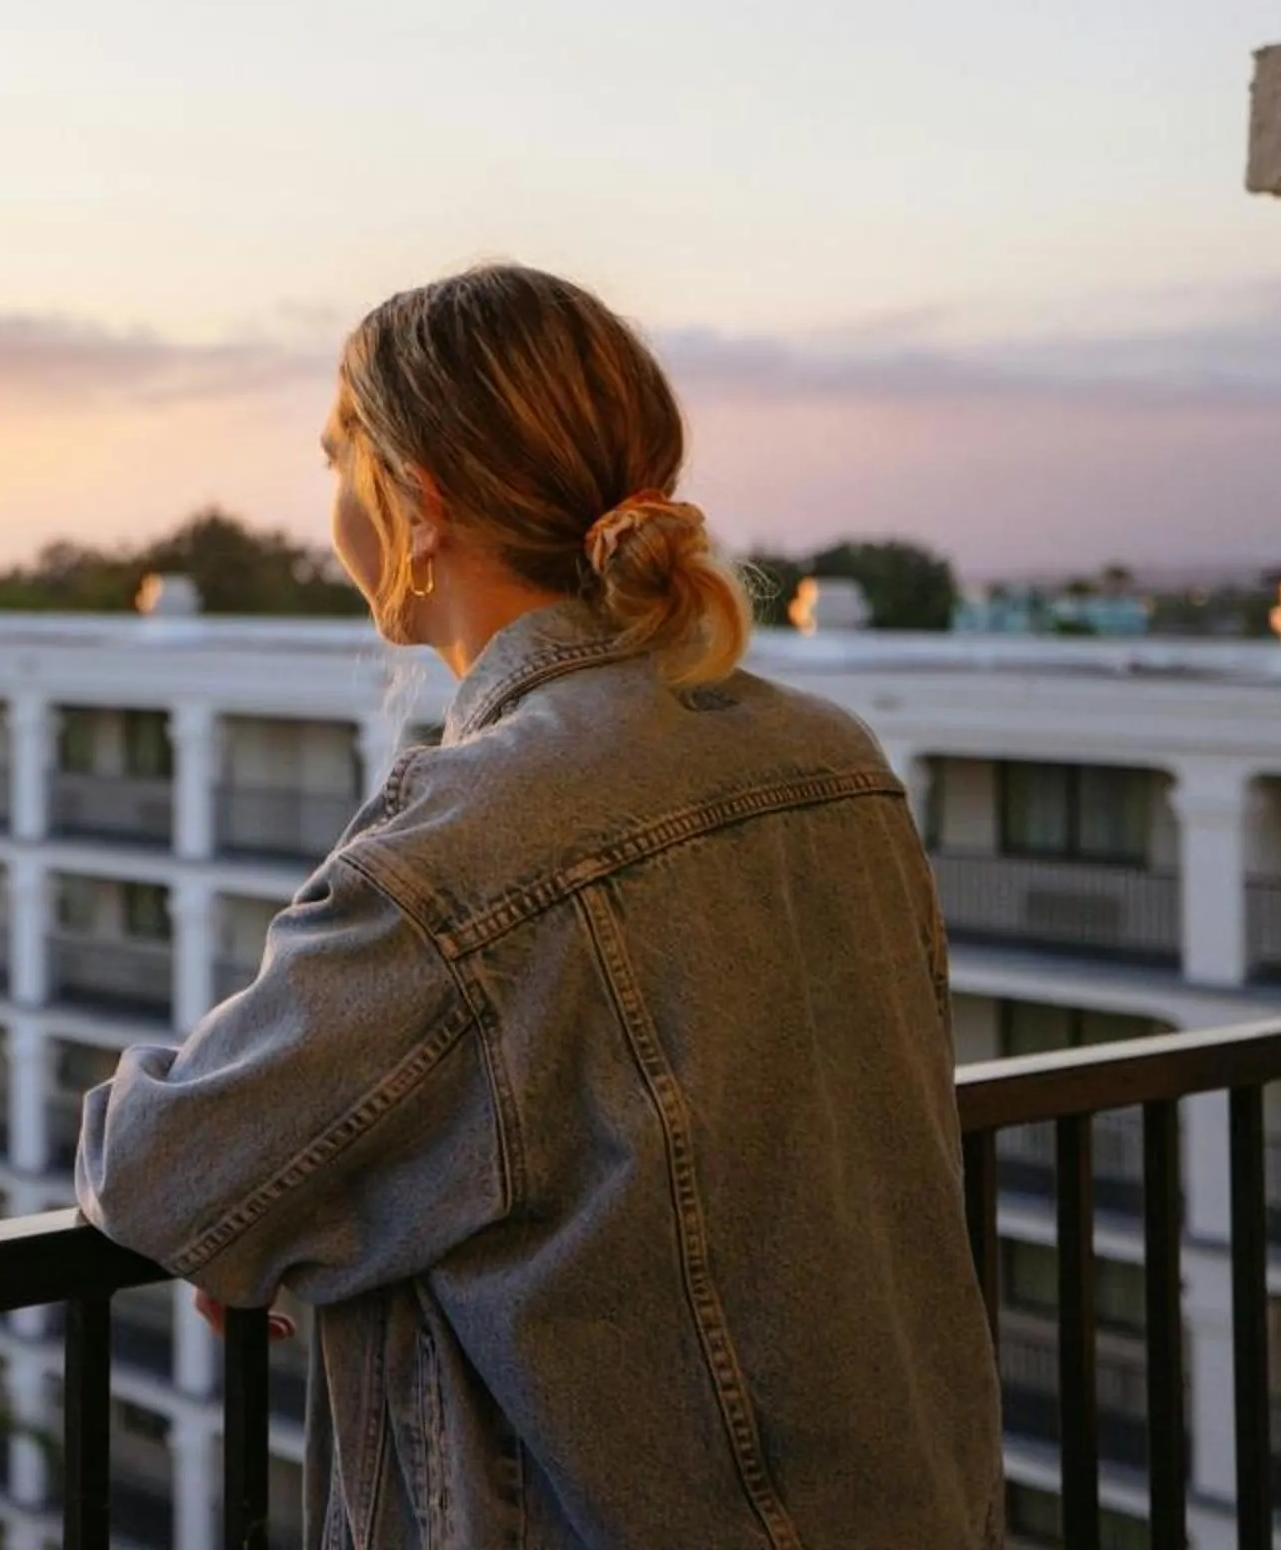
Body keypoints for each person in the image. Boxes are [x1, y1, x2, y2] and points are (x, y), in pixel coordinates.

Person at [75, 264, 1001, 1548]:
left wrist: (299, 1220)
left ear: (419, 500)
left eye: (340, 462)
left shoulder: (475, 831)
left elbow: (164, 1168)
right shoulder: (830, 755)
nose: (331, 511)